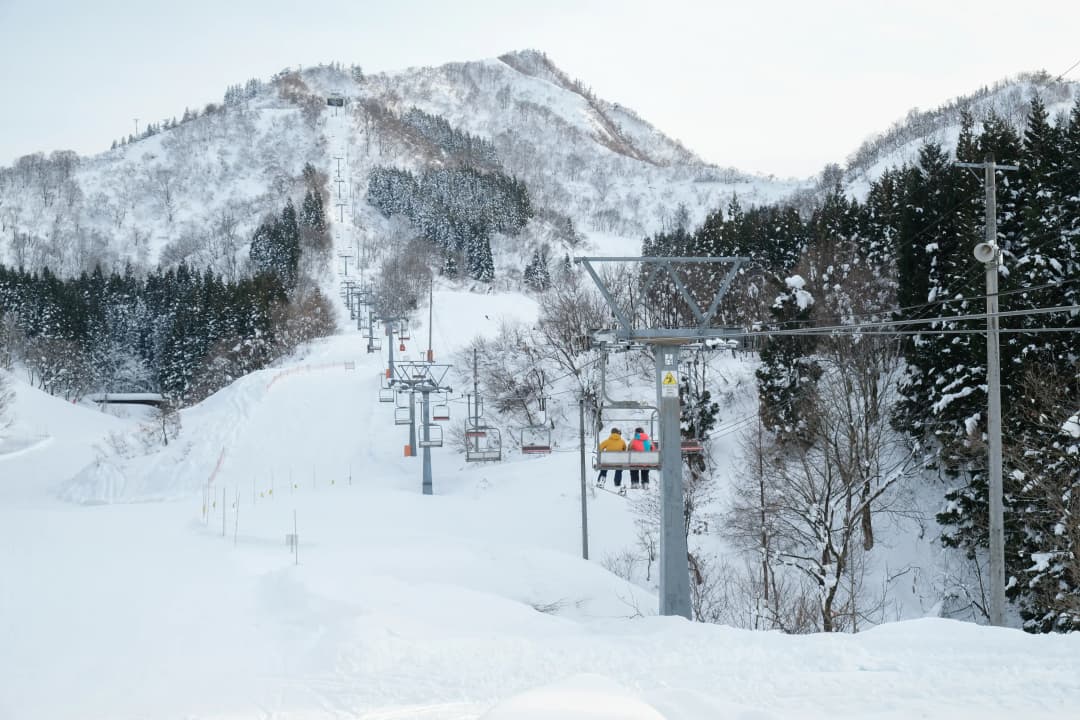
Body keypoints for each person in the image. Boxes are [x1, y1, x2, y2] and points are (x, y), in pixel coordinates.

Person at [596, 427, 626, 491]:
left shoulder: (607, 441)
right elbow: (624, 449)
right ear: (618, 433)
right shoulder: (622, 441)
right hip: (618, 462)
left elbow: (600, 448)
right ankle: (617, 483)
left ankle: (601, 480)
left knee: (604, 468)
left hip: (608, 461)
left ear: (611, 433)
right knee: (619, 469)